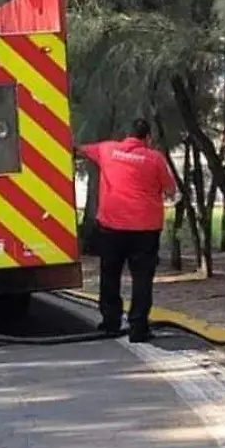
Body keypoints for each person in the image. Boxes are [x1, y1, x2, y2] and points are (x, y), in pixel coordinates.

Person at [78, 118, 177, 343]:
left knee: (110, 275)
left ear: (126, 136)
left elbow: (78, 150)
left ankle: (110, 324)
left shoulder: (106, 149)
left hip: (112, 228)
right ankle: (138, 328)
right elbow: (170, 190)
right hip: (145, 231)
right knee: (142, 279)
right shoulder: (155, 158)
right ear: (148, 138)